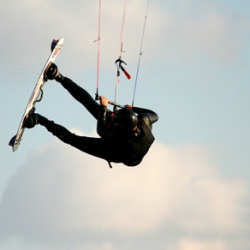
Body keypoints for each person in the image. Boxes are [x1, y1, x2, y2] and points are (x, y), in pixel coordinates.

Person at [25, 63, 159, 167]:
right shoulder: (145, 120)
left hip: (119, 152)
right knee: (90, 104)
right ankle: (58, 76)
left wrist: (104, 107)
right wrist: (133, 108)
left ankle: (39, 120)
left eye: (116, 123)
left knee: (75, 140)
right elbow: (155, 115)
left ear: (121, 128)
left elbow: (101, 131)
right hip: (127, 136)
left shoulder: (122, 141)